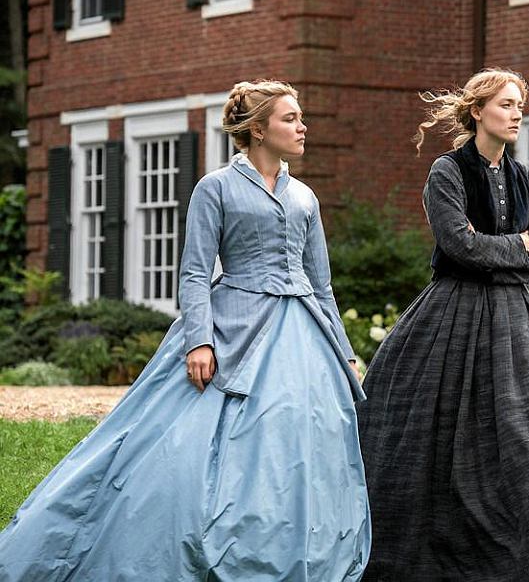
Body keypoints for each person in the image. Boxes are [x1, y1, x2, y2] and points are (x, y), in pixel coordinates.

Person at [0, 80, 371, 581]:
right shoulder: (215, 187)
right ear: (258, 130)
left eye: (300, 118)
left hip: (304, 332)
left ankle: (295, 550)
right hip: (234, 325)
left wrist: (344, 353)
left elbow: (321, 284)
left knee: (301, 441)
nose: (303, 127)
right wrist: (200, 340)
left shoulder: (305, 196)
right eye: (291, 118)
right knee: (185, 446)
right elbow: (195, 272)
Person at [357, 68, 529, 581]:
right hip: (451, 316)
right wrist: (515, 245)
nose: (516, 115)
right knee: (439, 433)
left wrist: (495, 248)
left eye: (519, 106)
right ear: (477, 111)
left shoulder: (527, 179)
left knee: (525, 436)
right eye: (506, 105)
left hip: (515, 323)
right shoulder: (447, 172)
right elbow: (458, 246)